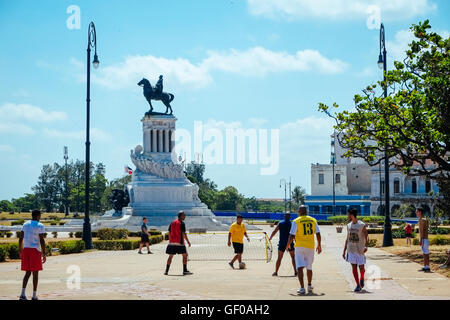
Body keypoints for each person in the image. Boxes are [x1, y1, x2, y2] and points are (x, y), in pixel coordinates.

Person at [286, 205, 321, 295]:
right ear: (307, 212)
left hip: (299, 247)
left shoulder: (296, 221)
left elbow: (292, 235)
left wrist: (288, 244)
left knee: (300, 267)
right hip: (310, 246)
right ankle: (309, 285)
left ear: (299, 212)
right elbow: (318, 233)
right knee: (309, 267)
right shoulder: (313, 220)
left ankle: (302, 288)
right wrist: (319, 245)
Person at [18, 209, 47, 300]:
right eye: (40, 216)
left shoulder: (25, 224)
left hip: (26, 250)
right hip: (35, 250)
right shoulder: (40, 225)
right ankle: (34, 295)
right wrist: (44, 253)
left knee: (27, 273)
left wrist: (20, 250)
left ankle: (22, 294)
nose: (40, 218)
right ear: (38, 216)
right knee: (35, 274)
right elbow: (42, 240)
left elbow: (20, 238)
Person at [342, 208, 369, 292]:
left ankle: (362, 278)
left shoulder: (361, 225)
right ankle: (358, 285)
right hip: (351, 249)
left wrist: (366, 246)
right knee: (353, 267)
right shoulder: (348, 225)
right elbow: (347, 238)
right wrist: (344, 251)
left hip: (360, 249)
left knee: (361, 268)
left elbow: (366, 236)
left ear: (351, 215)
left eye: (348, 214)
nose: (347, 216)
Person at [165, 211, 192, 275]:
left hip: (172, 243)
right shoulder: (182, 223)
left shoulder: (172, 223)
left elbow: (169, 232)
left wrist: (170, 241)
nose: (185, 216)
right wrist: (188, 241)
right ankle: (184, 270)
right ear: (181, 216)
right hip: (180, 243)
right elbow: (183, 234)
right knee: (185, 255)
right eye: (184, 215)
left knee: (170, 256)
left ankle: (166, 271)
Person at [269, 212, 296, 276]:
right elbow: (294, 234)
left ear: (284, 216)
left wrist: (270, 237)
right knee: (293, 258)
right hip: (290, 243)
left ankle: (276, 272)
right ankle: (296, 271)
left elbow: (275, 231)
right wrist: (296, 240)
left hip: (282, 243)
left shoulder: (280, 223)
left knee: (279, 258)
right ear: (290, 217)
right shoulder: (292, 224)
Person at [417, 207, 430, 272]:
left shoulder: (422, 220)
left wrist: (421, 240)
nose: (416, 213)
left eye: (417, 212)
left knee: (425, 253)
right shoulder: (424, 219)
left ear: (420, 212)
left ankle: (426, 266)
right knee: (426, 253)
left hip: (424, 238)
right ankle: (426, 266)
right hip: (425, 238)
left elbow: (422, 231)